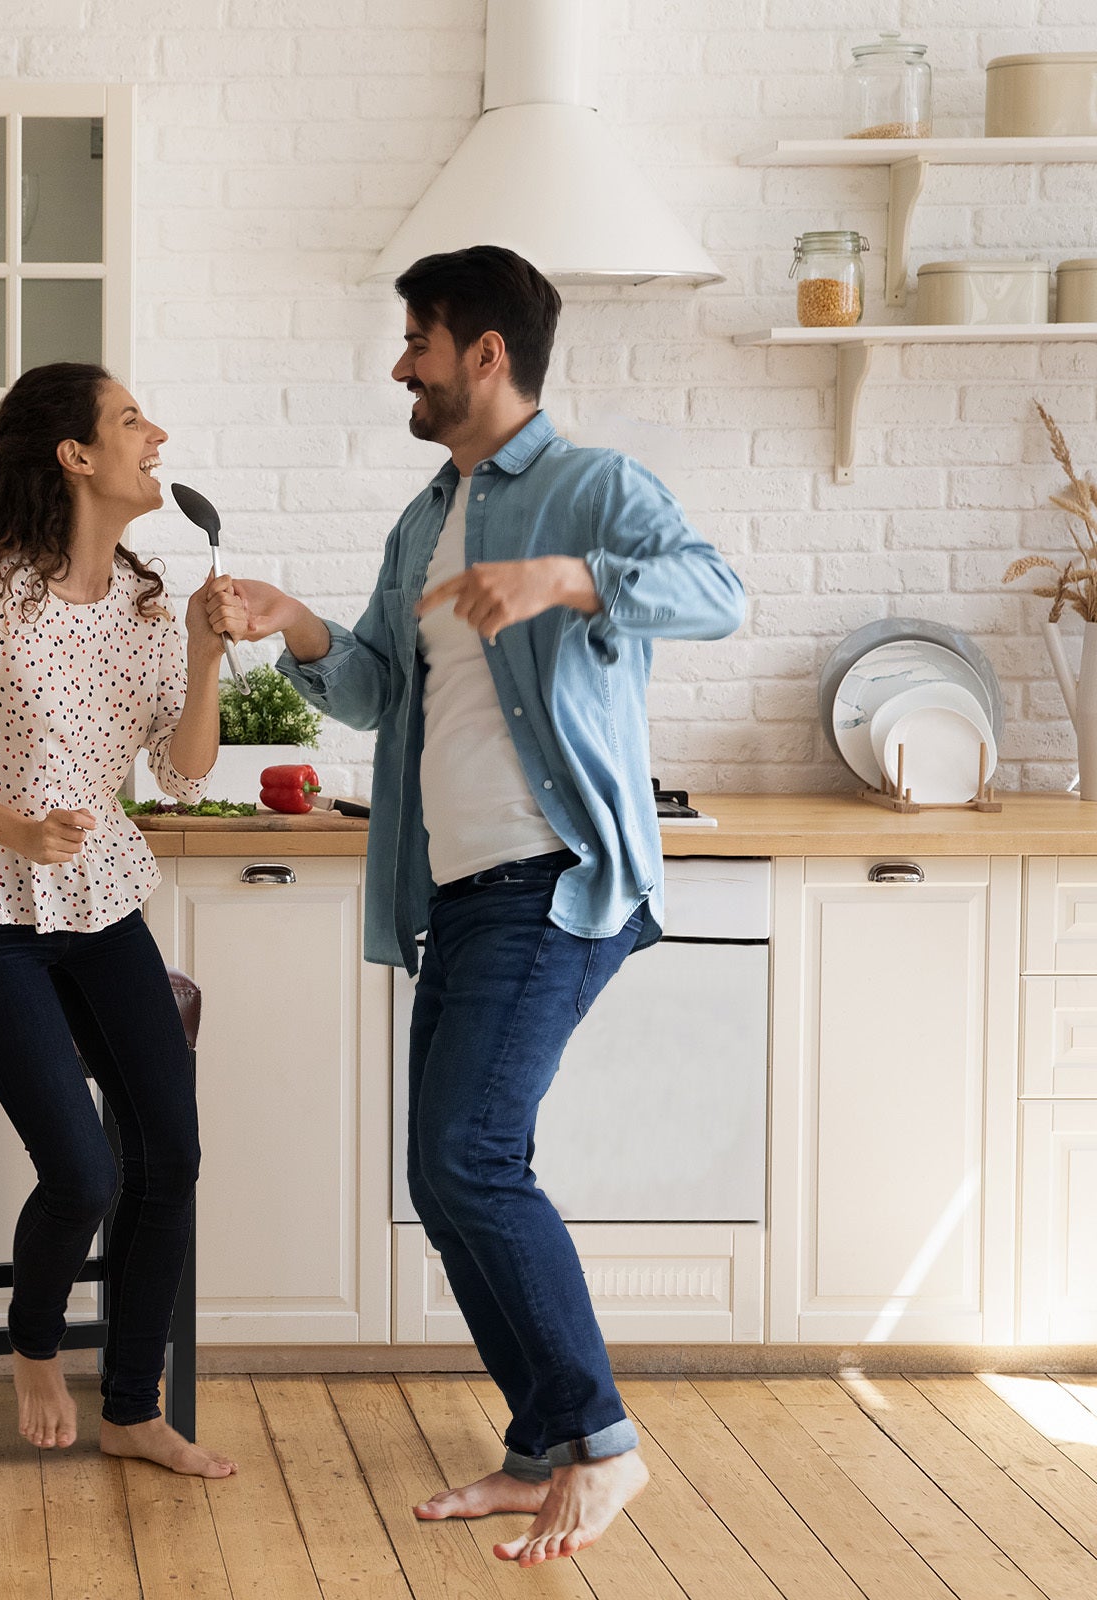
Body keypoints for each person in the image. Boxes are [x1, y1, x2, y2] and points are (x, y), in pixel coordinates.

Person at [215, 246, 745, 1565]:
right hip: (456, 887)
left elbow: (720, 597)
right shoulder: (426, 515)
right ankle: (534, 1449)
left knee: (469, 1159)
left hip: (551, 875)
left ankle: (604, 1443)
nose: (402, 363)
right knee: (444, 1174)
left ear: (486, 352)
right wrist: (296, 626)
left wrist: (566, 578)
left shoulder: (591, 486)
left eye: (419, 339)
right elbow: (380, 692)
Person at [0, 361, 238, 1479]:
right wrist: (12, 827)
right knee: (83, 1170)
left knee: (169, 1153)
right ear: (76, 457)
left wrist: (201, 646)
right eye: (133, 417)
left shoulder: (141, 598)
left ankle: (133, 1408)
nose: (157, 430)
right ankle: (32, 1343)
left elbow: (181, 776)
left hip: (103, 902)